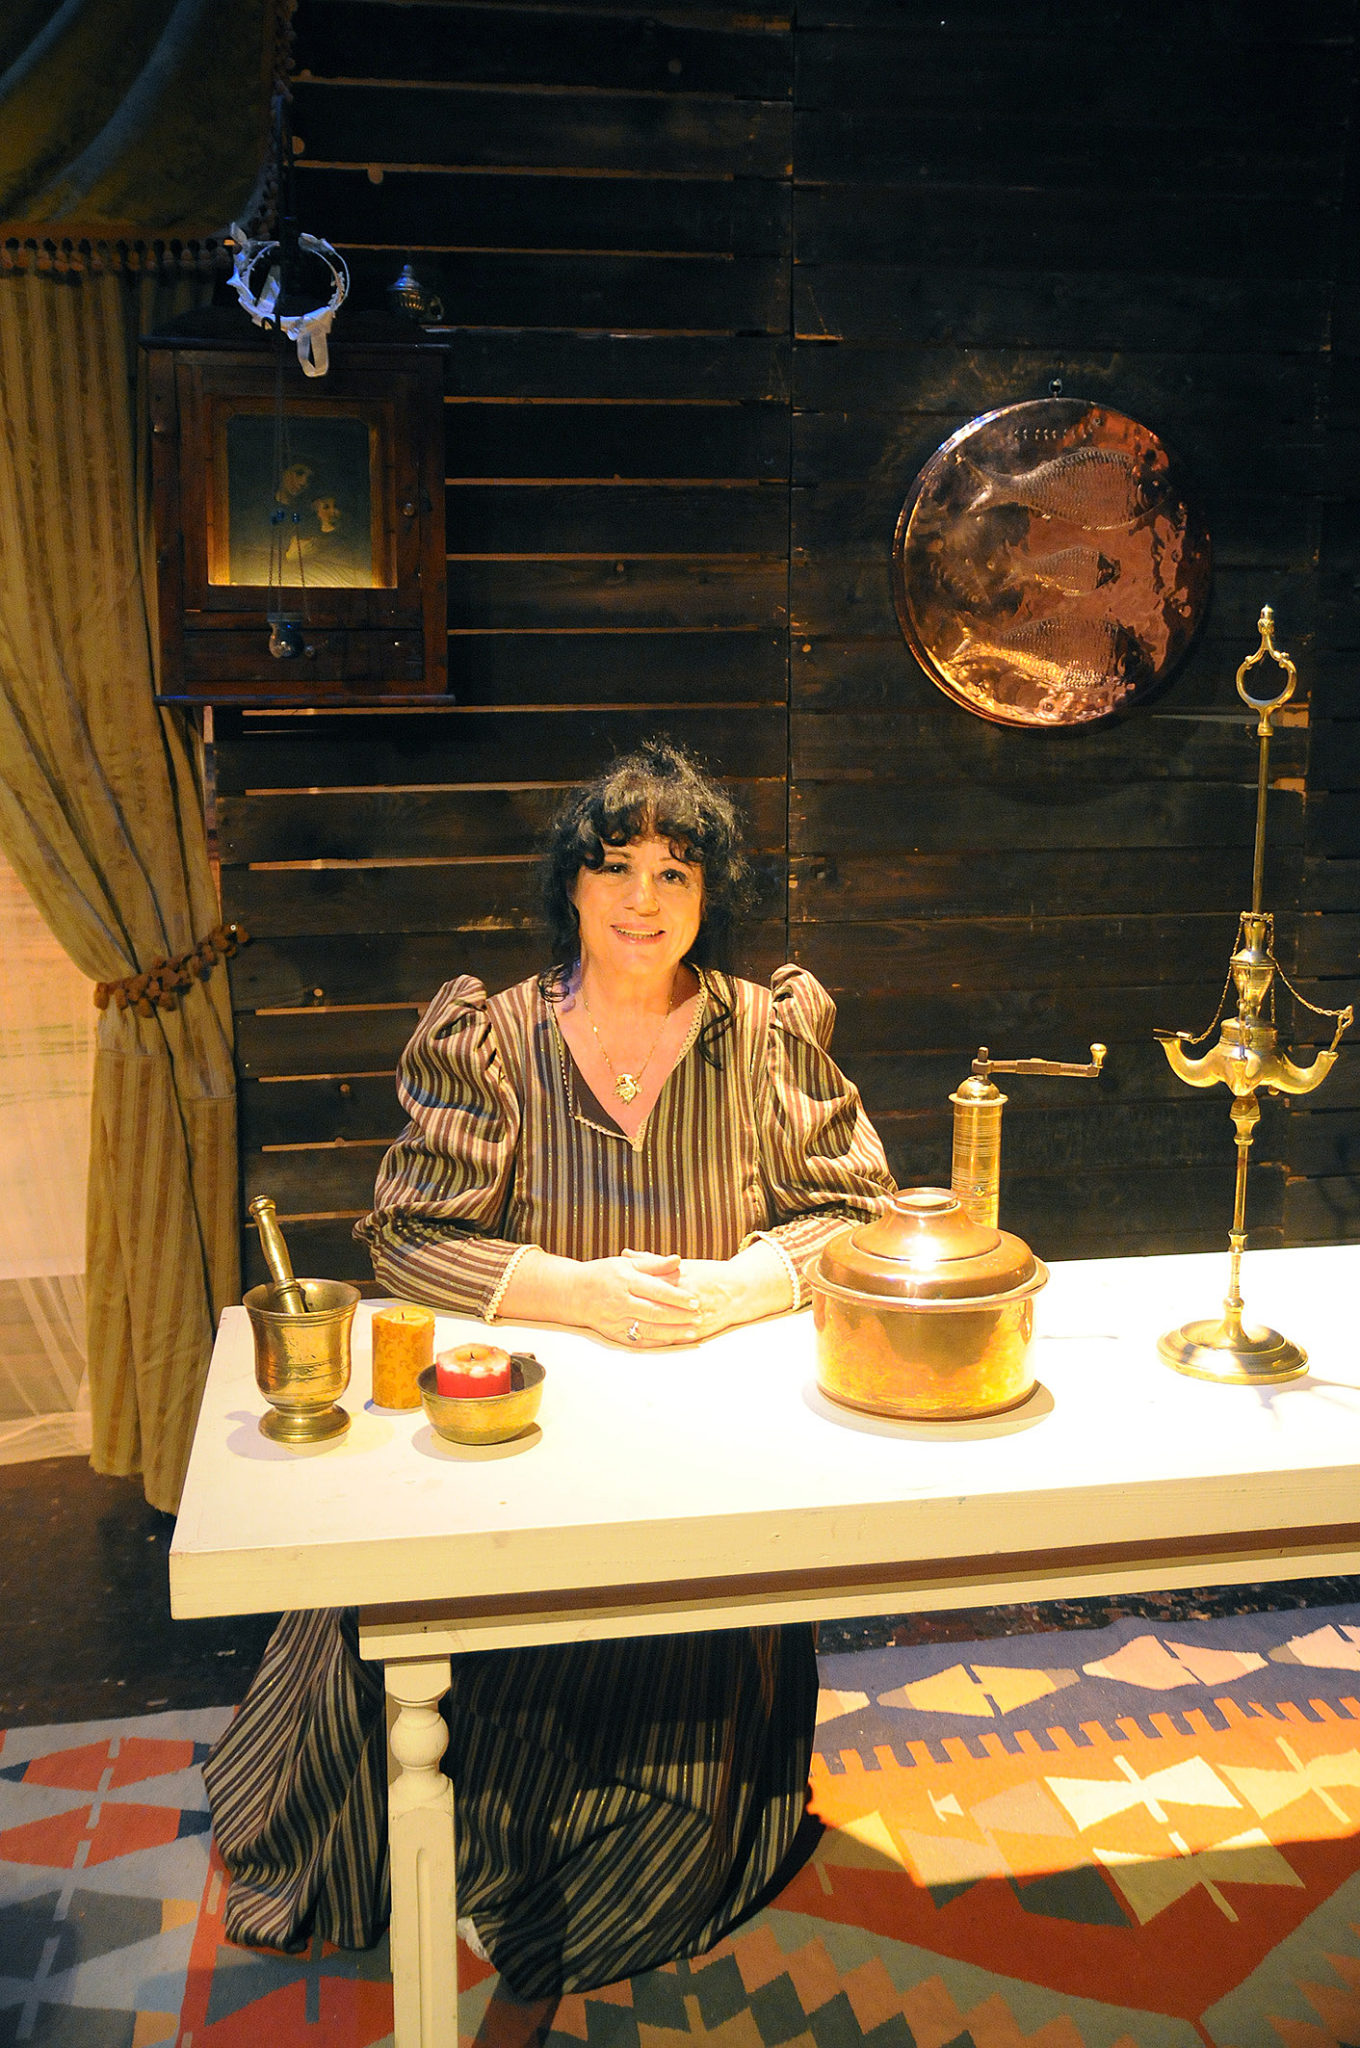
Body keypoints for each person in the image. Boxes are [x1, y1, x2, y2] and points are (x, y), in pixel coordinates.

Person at [203, 739, 896, 2000]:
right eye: (615, 865)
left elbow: (855, 1210)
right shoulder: (497, 1035)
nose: (643, 897)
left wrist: (738, 1284)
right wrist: (577, 1290)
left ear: (708, 893)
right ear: (570, 884)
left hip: (704, 1441)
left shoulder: (765, 1030)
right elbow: (409, 1236)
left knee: (663, 1722)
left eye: (675, 871)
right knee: (410, 1622)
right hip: (526, 1431)